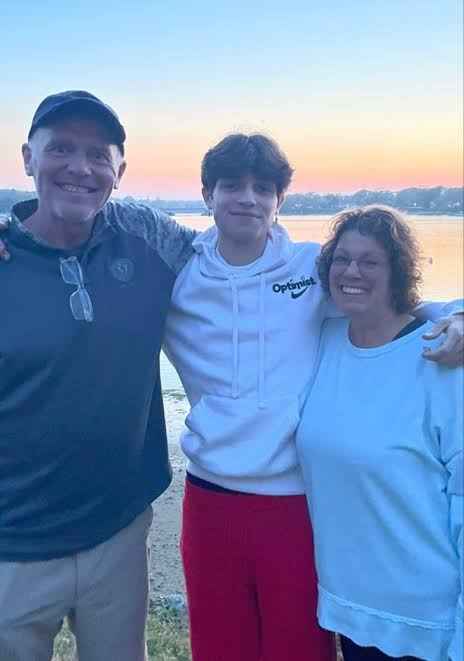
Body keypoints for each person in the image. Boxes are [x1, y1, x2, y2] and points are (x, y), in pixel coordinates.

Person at [162, 136, 463, 661]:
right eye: (232, 185)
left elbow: (385, 300)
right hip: (209, 498)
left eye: (264, 187)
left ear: (281, 199)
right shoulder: (176, 276)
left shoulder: (309, 271)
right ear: (207, 193)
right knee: (219, 648)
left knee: (298, 648)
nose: (247, 199)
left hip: (295, 503)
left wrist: (454, 315)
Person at [0, 90, 196, 661]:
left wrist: (442, 311)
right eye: (60, 148)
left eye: (98, 154)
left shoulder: (153, 243)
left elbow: (254, 265)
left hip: (118, 533)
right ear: (28, 158)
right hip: (12, 546)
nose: (80, 167)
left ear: (120, 171)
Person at [296, 206, 463, 661]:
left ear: (398, 272)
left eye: (370, 262)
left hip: (427, 622)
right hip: (349, 609)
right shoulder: (324, 340)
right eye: (342, 259)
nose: (352, 271)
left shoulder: (442, 356)